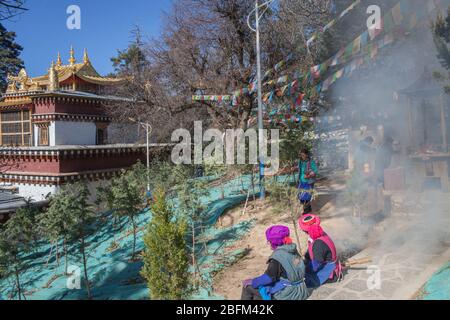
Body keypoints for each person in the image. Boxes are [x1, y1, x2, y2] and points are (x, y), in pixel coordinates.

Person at [241, 225, 309, 300]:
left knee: (248, 287)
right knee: (260, 292)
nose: (268, 243)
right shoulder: (292, 249)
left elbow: (268, 278)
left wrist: (253, 281)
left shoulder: (277, 257)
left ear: (273, 242)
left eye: (269, 241)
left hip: (289, 294)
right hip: (301, 290)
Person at [299, 214, 343, 288]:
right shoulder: (320, 234)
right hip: (325, 263)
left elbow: (316, 265)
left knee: (302, 281)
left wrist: (303, 270)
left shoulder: (318, 244)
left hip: (329, 272)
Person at [298, 149, 319, 215]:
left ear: (307, 155)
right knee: (301, 196)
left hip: (309, 182)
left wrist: (309, 175)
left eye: (303, 155)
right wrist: (294, 168)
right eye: (301, 155)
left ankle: (306, 211)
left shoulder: (311, 162)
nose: (302, 156)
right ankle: (308, 208)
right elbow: (299, 169)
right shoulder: (300, 162)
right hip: (301, 181)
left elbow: (315, 171)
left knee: (306, 196)